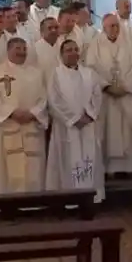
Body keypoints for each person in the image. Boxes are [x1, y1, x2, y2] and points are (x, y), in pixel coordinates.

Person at [0, 38, 49, 193]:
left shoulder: (36, 73)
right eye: (17, 48)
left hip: (30, 126)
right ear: (8, 50)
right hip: (7, 126)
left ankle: (33, 202)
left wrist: (32, 113)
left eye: (24, 49)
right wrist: (12, 113)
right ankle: (7, 204)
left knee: (32, 166)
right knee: (5, 168)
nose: (21, 52)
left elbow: (44, 98)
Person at [46, 40, 105, 201]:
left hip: (87, 125)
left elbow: (97, 96)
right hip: (67, 127)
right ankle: (68, 199)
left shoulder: (89, 73)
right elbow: (53, 101)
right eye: (68, 50)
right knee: (67, 161)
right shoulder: (56, 74)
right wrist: (73, 119)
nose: (73, 53)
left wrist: (90, 115)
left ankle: (91, 198)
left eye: (75, 49)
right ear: (61, 54)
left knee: (89, 159)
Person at [86, 14, 132, 176]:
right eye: (111, 26)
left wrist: (125, 87)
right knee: (106, 131)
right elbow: (91, 68)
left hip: (124, 94)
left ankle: (128, 167)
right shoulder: (95, 45)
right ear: (103, 27)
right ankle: (108, 169)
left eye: (117, 25)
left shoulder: (128, 44)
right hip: (105, 96)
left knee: (126, 130)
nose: (115, 29)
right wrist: (107, 86)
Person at [33, 17, 62, 84]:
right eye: (50, 28)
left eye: (56, 27)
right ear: (42, 31)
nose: (53, 30)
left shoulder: (64, 46)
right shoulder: (34, 49)